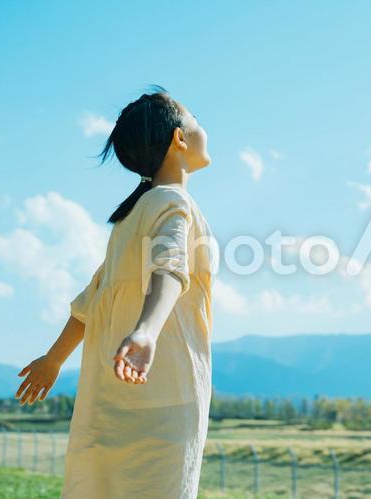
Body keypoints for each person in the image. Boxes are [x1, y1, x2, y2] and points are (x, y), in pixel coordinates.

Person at [14, 85, 218, 498]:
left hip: (110, 404)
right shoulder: (173, 202)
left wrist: (53, 360)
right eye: (194, 117)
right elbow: (170, 267)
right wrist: (147, 330)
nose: (201, 125)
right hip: (164, 397)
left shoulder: (130, 219)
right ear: (179, 138)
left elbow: (93, 298)